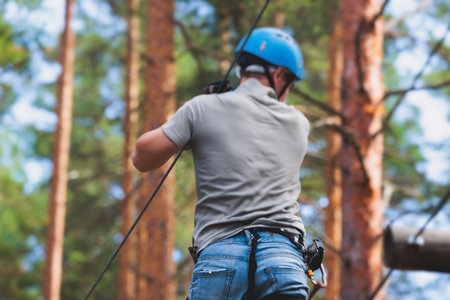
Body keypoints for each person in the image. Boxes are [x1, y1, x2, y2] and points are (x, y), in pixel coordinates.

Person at [132, 27, 310, 300]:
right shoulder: (299, 124)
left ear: (241, 69)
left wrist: (197, 115)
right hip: (282, 259)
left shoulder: (202, 109)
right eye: (290, 83)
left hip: (220, 254)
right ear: (278, 75)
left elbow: (142, 157)